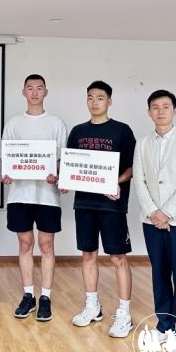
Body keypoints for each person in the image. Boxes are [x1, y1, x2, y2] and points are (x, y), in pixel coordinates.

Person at [66, 81, 136, 337]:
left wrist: (116, 182)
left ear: (109, 101)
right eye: (90, 97)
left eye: (100, 97)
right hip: (84, 203)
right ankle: (92, 306)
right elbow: (71, 164)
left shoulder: (122, 131)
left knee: (118, 258)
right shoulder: (78, 131)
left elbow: (132, 166)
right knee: (88, 255)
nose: (94, 102)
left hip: (111, 205)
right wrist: (66, 180)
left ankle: (124, 313)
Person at [132, 89, 176, 352]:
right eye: (155, 107)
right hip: (151, 221)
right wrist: (153, 212)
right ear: (149, 112)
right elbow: (139, 180)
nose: (160, 111)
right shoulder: (142, 143)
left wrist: (167, 212)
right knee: (159, 272)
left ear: (175, 110)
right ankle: (164, 324)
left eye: (166, 106)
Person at [1, 74, 67, 322]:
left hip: (47, 195)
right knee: (25, 244)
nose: (35, 92)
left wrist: (57, 173)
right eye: (30, 88)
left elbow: (63, 159)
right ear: (23, 92)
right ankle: (28, 295)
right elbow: (7, 158)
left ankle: (46, 297)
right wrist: (7, 174)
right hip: (20, 194)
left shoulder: (56, 123)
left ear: (46, 92)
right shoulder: (14, 123)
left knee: (47, 245)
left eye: (40, 88)